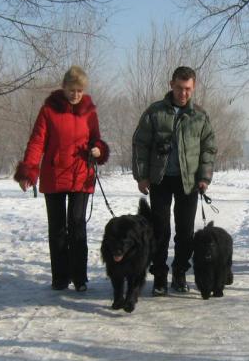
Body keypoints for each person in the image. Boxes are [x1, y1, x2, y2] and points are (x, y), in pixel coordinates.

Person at [14, 65, 109, 292]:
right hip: (54, 175)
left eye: (79, 90)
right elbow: (37, 142)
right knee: (57, 229)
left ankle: (80, 278)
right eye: (71, 89)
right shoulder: (48, 110)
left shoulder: (89, 112)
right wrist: (28, 170)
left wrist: (98, 149)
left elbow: (96, 139)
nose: (76, 95)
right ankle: (60, 277)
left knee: (77, 226)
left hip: (81, 175)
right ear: (64, 87)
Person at [132, 66, 217, 296]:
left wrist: (204, 177)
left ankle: (179, 272)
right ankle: (159, 275)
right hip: (160, 179)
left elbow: (208, 148)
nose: (183, 93)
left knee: (185, 232)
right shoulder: (155, 112)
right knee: (160, 230)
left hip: (188, 181)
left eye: (188, 89)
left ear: (194, 87)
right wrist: (142, 175)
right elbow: (140, 144)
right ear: (171, 84)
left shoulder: (199, 116)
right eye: (179, 88)